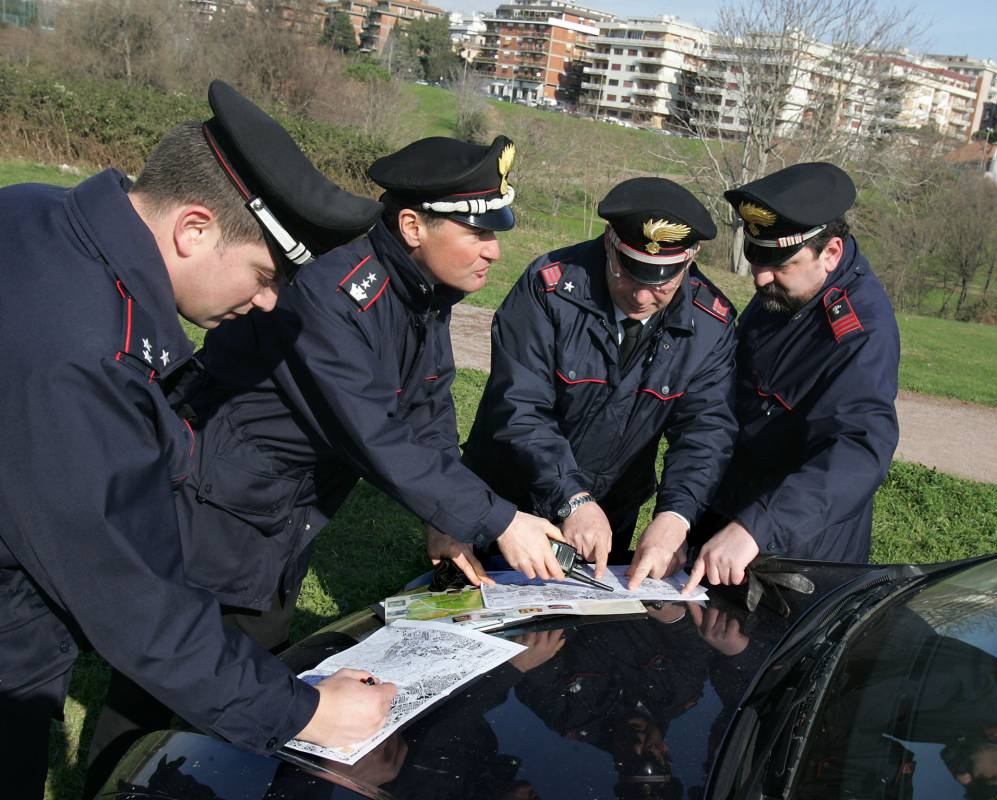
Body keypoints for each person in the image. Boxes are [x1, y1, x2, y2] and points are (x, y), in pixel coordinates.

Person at [84, 135, 567, 789]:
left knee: (252, 667)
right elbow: (374, 432)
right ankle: (113, 784)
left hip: (280, 514)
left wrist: (444, 514)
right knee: (157, 678)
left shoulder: (420, 288)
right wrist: (499, 519)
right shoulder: (335, 290)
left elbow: (426, 406)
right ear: (412, 225)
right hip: (213, 505)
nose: (493, 250)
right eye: (477, 232)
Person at [0, 80, 397, 800]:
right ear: (193, 229)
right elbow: (130, 595)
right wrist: (304, 710)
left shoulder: (36, 210)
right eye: (265, 273)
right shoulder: (90, 356)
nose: (269, 300)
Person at [462, 177, 738, 588]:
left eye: (661, 281)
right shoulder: (549, 288)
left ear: (691, 258)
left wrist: (675, 517)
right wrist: (572, 497)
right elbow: (520, 407)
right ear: (609, 241)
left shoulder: (711, 323)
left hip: (610, 513)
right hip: (510, 500)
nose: (642, 297)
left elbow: (706, 431)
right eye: (629, 274)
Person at [685, 163, 899, 594]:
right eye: (755, 258)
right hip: (732, 518)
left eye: (780, 264)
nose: (761, 278)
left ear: (832, 253)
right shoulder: (789, 290)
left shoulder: (860, 332)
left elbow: (859, 450)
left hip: (794, 555)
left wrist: (757, 528)